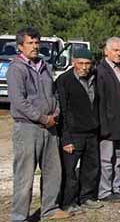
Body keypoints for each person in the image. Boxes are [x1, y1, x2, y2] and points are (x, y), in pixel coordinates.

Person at [7, 27, 71, 221]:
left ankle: (49, 209)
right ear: (20, 46)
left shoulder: (44, 66)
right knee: (24, 174)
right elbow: (19, 101)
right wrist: (43, 118)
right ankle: (19, 216)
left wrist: (56, 112)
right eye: (30, 43)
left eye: (37, 43)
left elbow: (54, 94)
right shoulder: (16, 69)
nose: (35, 47)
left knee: (53, 171)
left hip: (50, 127)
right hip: (28, 128)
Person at [57, 49, 103, 214]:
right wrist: (66, 138)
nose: (84, 67)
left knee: (91, 168)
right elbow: (63, 111)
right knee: (69, 171)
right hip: (73, 133)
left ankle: (86, 197)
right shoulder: (64, 81)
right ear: (73, 62)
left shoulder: (94, 78)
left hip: (91, 132)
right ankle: (67, 202)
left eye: (88, 63)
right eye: (81, 63)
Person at [97, 37, 120, 202]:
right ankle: (104, 192)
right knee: (106, 159)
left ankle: (116, 187)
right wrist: (103, 126)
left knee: (119, 157)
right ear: (106, 51)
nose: (119, 53)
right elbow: (100, 101)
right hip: (108, 123)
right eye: (116, 50)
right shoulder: (101, 71)